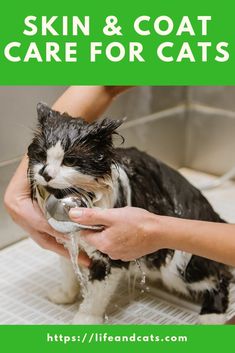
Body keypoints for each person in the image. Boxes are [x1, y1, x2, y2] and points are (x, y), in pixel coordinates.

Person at [4, 86, 235, 323]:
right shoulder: (55, 180)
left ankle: (217, 289)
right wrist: (19, 192)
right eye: (42, 158)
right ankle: (70, 290)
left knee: (178, 272)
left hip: (188, 247)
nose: (47, 173)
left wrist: (156, 232)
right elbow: (103, 84)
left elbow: (108, 263)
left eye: (70, 162)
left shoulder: (110, 193)